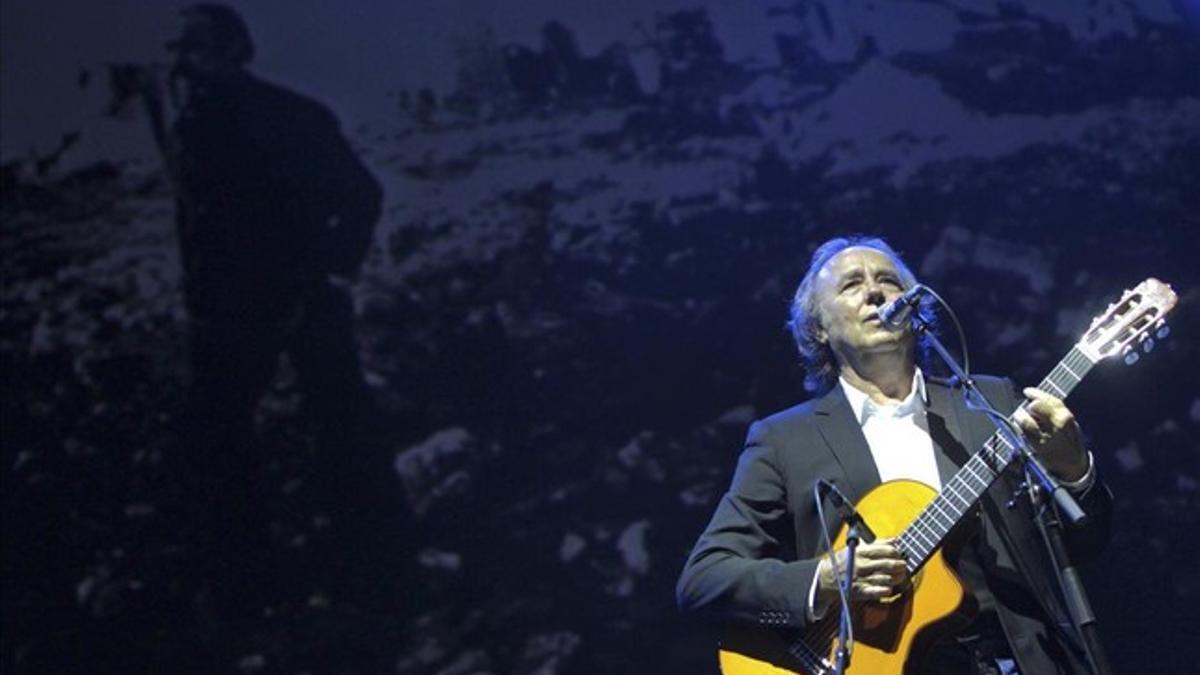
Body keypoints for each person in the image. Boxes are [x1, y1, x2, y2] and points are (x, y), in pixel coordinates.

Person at [676, 236, 1111, 674]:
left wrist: (1073, 469)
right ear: (819, 328)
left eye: (888, 280)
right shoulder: (784, 440)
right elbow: (704, 579)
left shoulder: (990, 402)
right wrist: (825, 580)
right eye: (851, 285)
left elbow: (1082, 545)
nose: (875, 292)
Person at [151, 4, 385, 613]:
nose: (183, 61)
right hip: (226, 309)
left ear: (235, 51)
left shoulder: (294, 117)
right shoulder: (189, 126)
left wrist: (327, 268)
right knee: (219, 437)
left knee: (340, 423)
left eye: (196, 48)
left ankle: (378, 562)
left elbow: (360, 195)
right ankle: (248, 577)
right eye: (178, 49)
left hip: (301, 299)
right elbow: (199, 223)